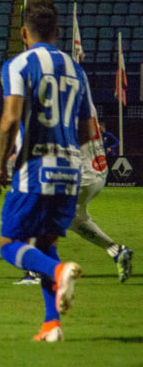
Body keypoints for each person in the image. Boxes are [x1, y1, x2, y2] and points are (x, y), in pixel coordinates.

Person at [0, 1, 93, 342]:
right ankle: (52, 326)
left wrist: (1, 165)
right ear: (58, 33)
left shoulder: (19, 64)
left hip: (33, 168)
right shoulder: (77, 70)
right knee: (45, 243)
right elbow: (88, 129)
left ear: (23, 33)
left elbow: (11, 118)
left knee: (9, 243)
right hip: (70, 169)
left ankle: (59, 272)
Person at [15, 109, 133, 286]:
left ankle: (37, 272)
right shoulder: (81, 96)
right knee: (75, 220)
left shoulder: (63, 101)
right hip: (97, 171)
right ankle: (116, 250)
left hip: (81, 174)